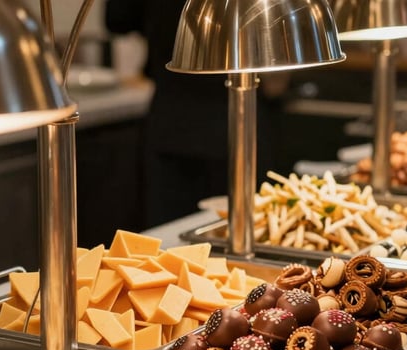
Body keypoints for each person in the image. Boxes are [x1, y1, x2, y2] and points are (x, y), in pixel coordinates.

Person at [105, 0, 288, 229]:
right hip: (236, 121)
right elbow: (275, 83)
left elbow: (118, 19)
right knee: (245, 229)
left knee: (169, 239)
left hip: (173, 115)